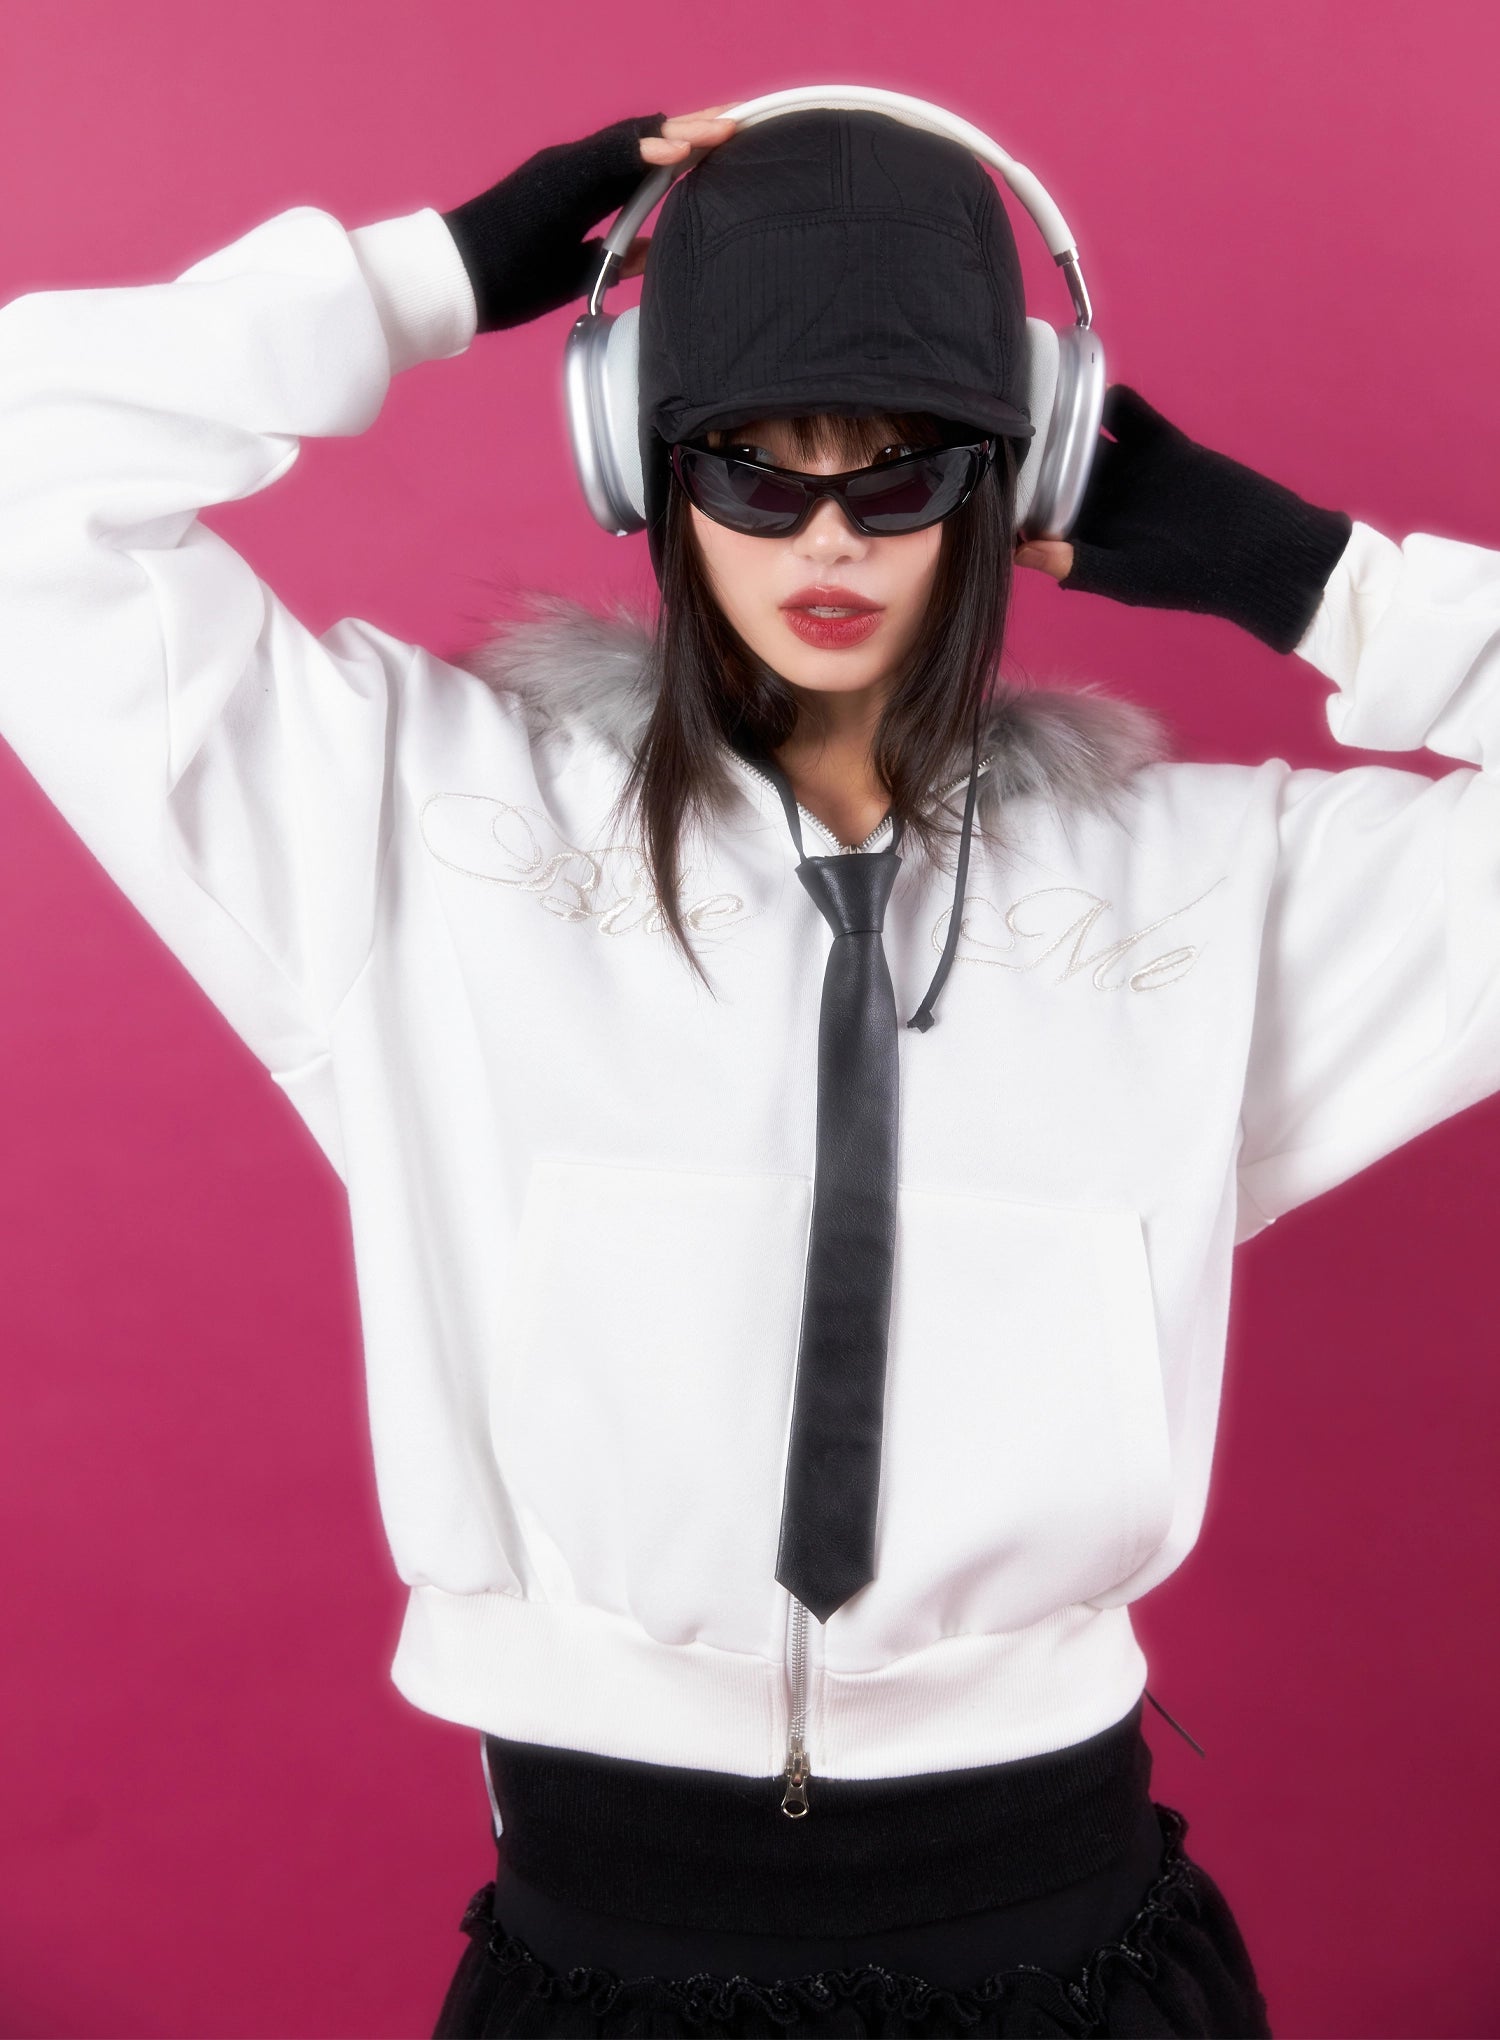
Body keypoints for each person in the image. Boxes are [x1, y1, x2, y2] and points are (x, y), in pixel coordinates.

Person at [2, 95, 1495, 2040]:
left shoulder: (1216, 896)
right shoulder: (409, 825)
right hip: (604, 1948)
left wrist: (1309, 576)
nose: (827, 538)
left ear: (1015, 473)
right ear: (634, 452)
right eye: (753, 466)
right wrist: (421, 281)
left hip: (1067, 1943)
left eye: (902, 470)